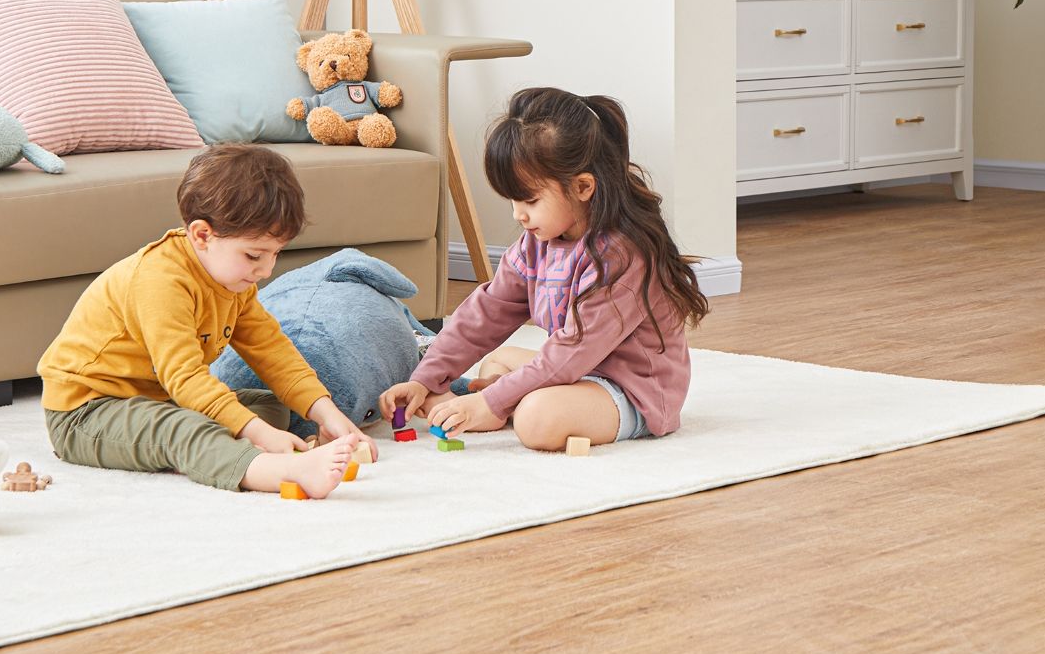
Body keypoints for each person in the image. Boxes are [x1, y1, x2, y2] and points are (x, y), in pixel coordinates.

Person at [382, 88, 709, 450]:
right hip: (579, 371)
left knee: (536, 419)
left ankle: (509, 407)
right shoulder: (536, 243)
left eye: (530, 200)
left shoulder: (620, 257)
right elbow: (487, 313)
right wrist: (425, 379)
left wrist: (491, 402)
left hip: (630, 389)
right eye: (512, 199)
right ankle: (506, 403)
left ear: (583, 187)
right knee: (500, 361)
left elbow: (571, 352)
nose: (517, 214)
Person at [38, 143, 369, 496]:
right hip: (86, 411)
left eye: (275, 254)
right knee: (181, 428)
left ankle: (225, 450)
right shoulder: (161, 281)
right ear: (202, 235)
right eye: (254, 255)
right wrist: (258, 434)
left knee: (266, 404)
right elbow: (185, 378)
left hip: (158, 400)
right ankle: (276, 471)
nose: (267, 269)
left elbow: (272, 351)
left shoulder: (233, 281)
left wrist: (327, 414)